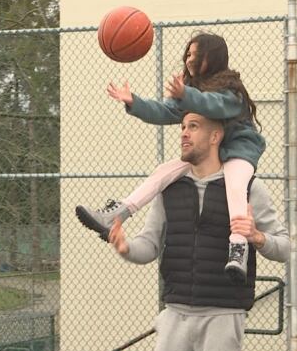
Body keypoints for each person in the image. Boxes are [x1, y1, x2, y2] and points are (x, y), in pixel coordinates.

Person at [107, 112, 290, 351]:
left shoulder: (248, 187)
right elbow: (150, 244)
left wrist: (257, 237)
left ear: (215, 136)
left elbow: (285, 247)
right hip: (175, 313)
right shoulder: (168, 188)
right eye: (182, 126)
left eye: (193, 127)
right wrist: (126, 248)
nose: (183, 133)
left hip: (222, 314)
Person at [76, 32, 265, 283]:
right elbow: (165, 112)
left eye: (196, 55)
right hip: (209, 152)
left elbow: (213, 105)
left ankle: (238, 248)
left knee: (235, 186)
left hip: (238, 150)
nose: (188, 59)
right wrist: (134, 102)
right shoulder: (191, 92)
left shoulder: (230, 91)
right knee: (162, 172)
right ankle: (115, 215)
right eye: (187, 54)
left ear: (213, 57)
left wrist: (186, 94)